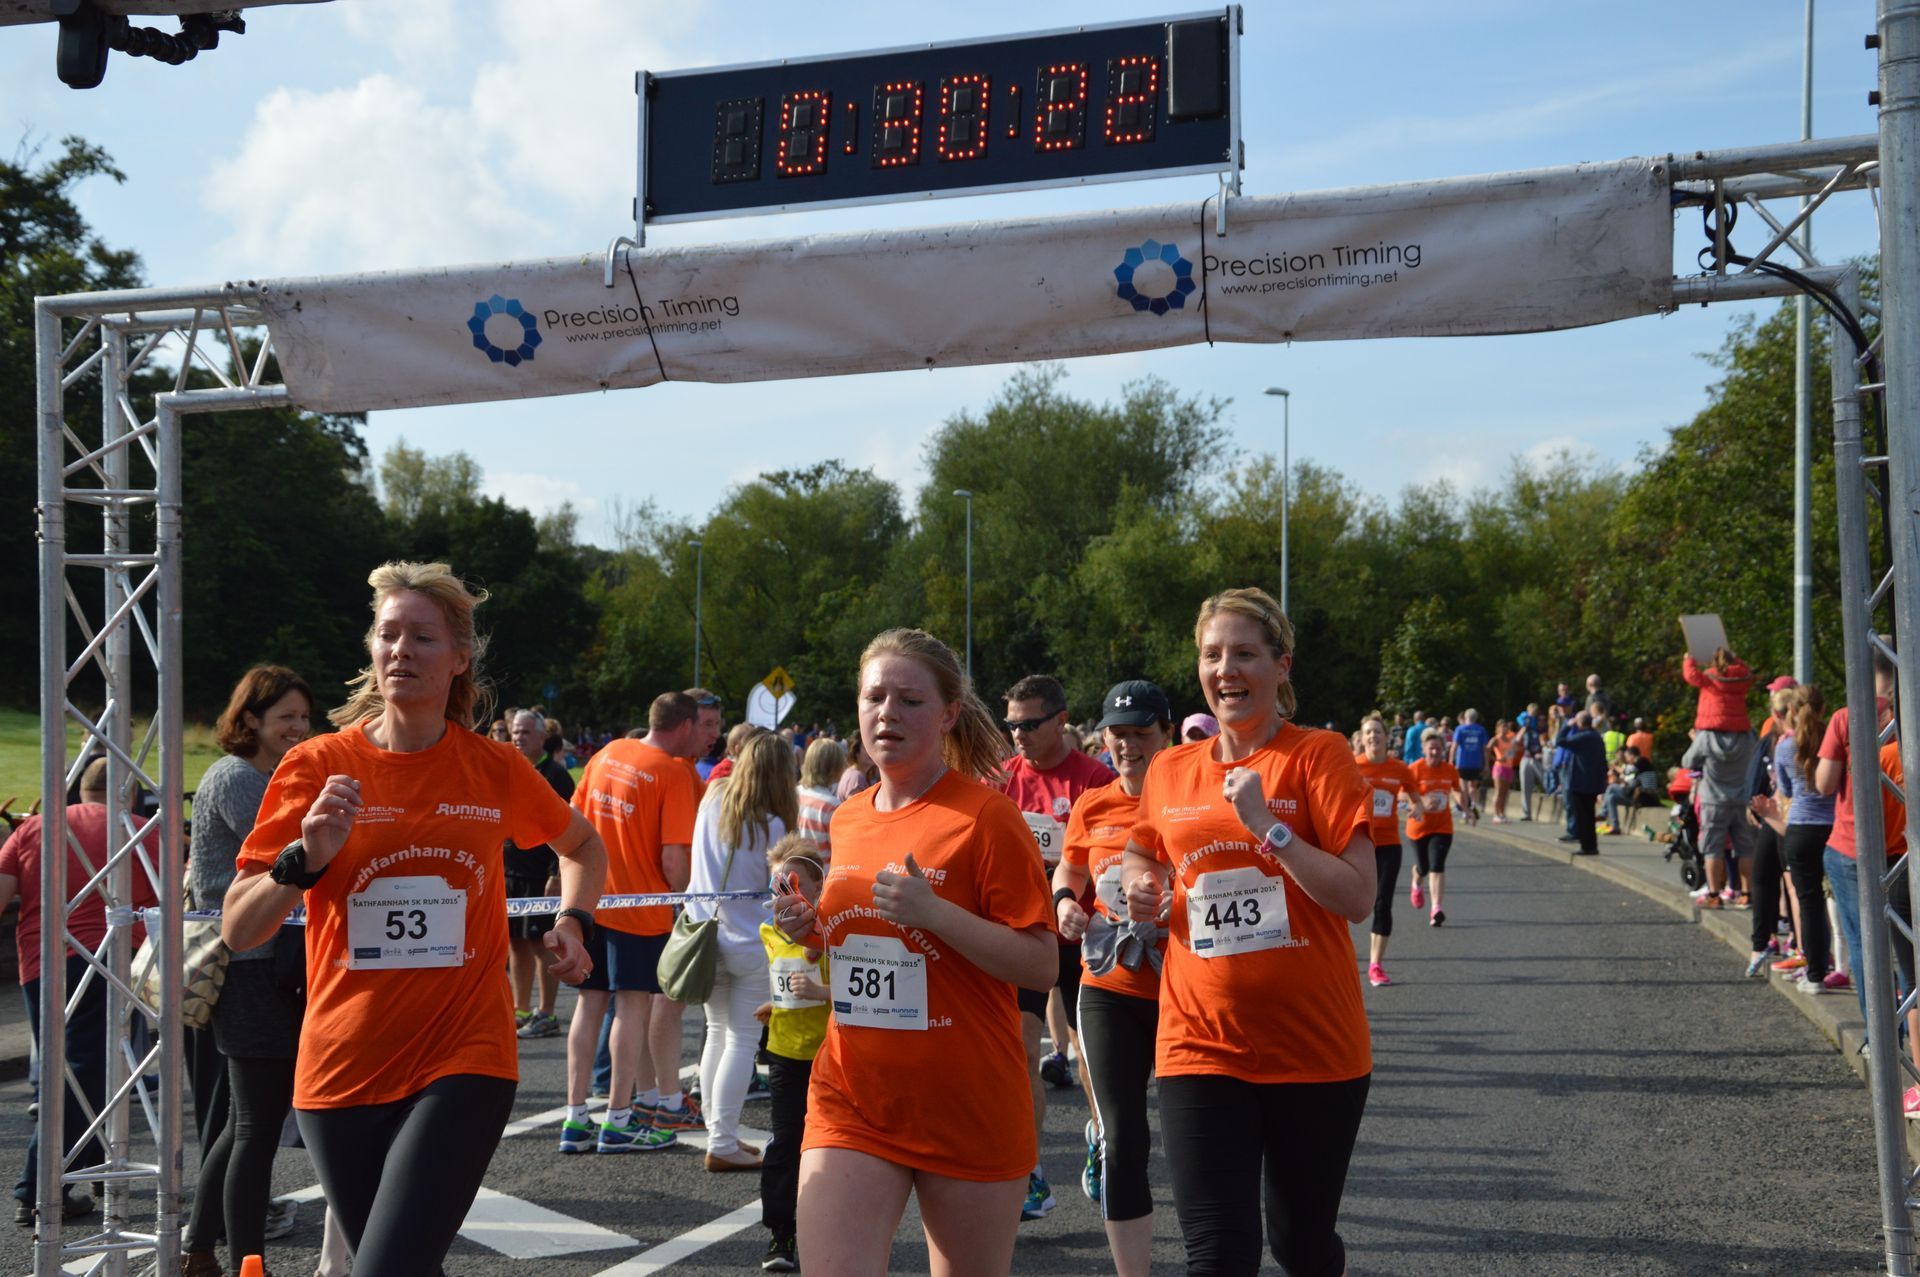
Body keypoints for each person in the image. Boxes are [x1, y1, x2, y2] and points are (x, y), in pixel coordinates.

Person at [221, 561, 606, 1277]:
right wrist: (304, 857)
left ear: (459, 658)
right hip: (341, 1068)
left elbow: (582, 843)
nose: (401, 649)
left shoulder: (493, 767)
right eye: (388, 634)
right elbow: (239, 928)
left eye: (422, 637)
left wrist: (573, 919)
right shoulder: (317, 765)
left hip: (463, 1055)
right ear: (371, 648)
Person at [770, 628, 1054, 1277]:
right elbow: (866, 939)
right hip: (855, 1096)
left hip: (966, 1103)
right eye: (874, 696)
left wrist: (937, 913)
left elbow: (1041, 962)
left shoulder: (985, 818)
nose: (887, 713)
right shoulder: (849, 816)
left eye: (909, 699)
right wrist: (810, 929)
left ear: (949, 712)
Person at [1117, 587, 1375, 1277]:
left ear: (1281, 665)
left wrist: (1270, 826)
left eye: (1245, 653)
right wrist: (1141, 882)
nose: (1226, 668)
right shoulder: (1170, 768)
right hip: (1199, 1042)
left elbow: (1358, 894)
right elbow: (1142, 848)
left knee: (1301, 1247)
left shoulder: (1319, 756)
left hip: (1315, 1048)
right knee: (1219, 1254)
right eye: (1212, 654)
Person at [182, 666, 314, 1276]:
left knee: (244, 1122)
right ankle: (242, 1263)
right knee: (256, 1126)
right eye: (285, 716)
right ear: (251, 719)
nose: (298, 728)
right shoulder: (238, 777)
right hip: (248, 966)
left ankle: (201, 1253)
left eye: (305, 718)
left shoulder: (263, 776)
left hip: (266, 964)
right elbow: (296, 853)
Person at [3, 757, 159, 1228]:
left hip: (40, 962)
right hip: (110, 959)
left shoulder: (35, 829)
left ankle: (85, 1171)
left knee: (73, 1068)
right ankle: (38, 1189)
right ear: (130, 794)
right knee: (89, 1072)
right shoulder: (142, 829)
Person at [1051, 679, 1172, 1277]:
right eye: (1118, 735)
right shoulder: (1093, 803)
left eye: (1141, 734)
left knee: (1196, 1143)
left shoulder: (1188, 800)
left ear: (1166, 734)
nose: (1128, 746)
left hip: (1185, 992)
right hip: (1108, 988)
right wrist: (1064, 904)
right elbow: (1069, 869)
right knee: (1127, 1142)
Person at [563, 691, 703, 1154]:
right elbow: (673, 858)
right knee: (632, 1008)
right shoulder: (672, 772)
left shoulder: (608, 753)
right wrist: (684, 897)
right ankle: (619, 1119)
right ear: (683, 726)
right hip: (640, 908)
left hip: (592, 900)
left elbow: (573, 824)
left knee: (589, 1005)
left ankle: (576, 1117)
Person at [999, 672, 1113, 1221]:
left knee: (1089, 1051)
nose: (1018, 734)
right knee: (1021, 1047)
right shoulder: (1003, 781)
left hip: (1080, 930)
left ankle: (1101, 1136)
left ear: (1062, 720)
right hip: (1022, 932)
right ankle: (1030, 1171)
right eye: (1012, 724)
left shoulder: (1094, 779)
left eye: (1029, 723)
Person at [685, 732, 794, 1172]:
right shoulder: (774, 825)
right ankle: (723, 1139)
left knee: (717, 1032)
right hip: (752, 941)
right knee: (741, 1041)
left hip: (706, 933)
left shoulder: (712, 801)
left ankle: (720, 1132)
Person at [757, 836, 830, 1273]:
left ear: (818, 887)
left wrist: (821, 991)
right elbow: (785, 980)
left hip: (830, 1051)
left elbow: (862, 990)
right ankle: (781, 1234)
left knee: (832, 1148)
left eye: (794, 883)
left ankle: (838, 1229)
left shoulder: (836, 929)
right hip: (784, 1048)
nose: (784, 892)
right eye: (777, 884)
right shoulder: (769, 930)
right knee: (785, 1143)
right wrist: (774, 1003)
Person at [1752, 686, 1839, 987]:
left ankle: (1815, 974)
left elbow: (1786, 791)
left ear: (1791, 711)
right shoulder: (1834, 738)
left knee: (1809, 902)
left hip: (1801, 829)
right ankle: (1845, 967)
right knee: (1841, 903)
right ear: (1823, 708)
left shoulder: (1786, 747)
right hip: (1834, 826)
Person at [505, 708, 576, 1041]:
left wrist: (555, 873)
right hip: (509, 871)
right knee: (515, 944)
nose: (518, 738)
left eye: (525, 733)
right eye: (515, 732)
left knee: (540, 943)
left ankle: (546, 1012)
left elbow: (566, 829)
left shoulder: (556, 774)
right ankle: (521, 1009)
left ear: (542, 737)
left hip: (540, 873)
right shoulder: (507, 767)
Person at [1355, 715, 1417, 982]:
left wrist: (1418, 807)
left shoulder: (1400, 769)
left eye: (1377, 732)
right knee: (1352, 904)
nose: (1373, 737)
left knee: (1382, 904)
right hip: (1358, 843)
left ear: (1385, 736)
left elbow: (1415, 797)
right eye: (1368, 732)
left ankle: (1375, 965)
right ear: (1362, 737)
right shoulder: (1352, 766)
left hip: (1390, 844)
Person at [1406, 728, 1463, 925]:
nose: (1434, 752)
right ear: (1424, 749)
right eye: (1431, 748)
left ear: (1443, 749)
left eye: (1438, 748)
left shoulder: (1449, 769)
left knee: (1437, 866)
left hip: (1443, 826)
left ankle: (1436, 909)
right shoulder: (1414, 769)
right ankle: (1416, 882)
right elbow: (1400, 794)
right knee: (1423, 867)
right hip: (1418, 827)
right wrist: (1421, 800)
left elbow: (1456, 789)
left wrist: (1466, 806)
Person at [1557, 712, 1609, 856]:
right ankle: (1591, 845)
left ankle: (1587, 846)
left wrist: (1567, 726)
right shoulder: (1596, 737)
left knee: (1582, 816)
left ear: (1580, 723)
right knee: (1589, 816)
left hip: (1580, 782)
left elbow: (1560, 741)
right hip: (1592, 782)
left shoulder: (1582, 737)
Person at [795, 737, 846, 857]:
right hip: (822, 872)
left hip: (794, 869)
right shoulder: (832, 806)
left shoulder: (794, 793)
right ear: (834, 768)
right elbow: (838, 850)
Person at [1449, 709, 1488, 825]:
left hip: (1463, 763)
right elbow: (1485, 749)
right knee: (1473, 787)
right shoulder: (1481, 730)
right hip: (1476, 763)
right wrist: (1486, 765)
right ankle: (1473, 805)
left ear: (1465, 717)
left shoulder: (1460, 729)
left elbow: (1454, 746)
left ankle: (1465, 813)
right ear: (1476, 718)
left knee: (1463, 789)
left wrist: (1451, 762)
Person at [1489, 718, 1523, 823]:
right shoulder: (1495, 739)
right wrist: (1496, 759)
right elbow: (1486, 750)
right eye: (1503, 727)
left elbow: (1517, 746)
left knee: (1505, 793)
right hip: (1499, 767)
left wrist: (1516, 749)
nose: (1505, 729)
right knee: (1498, 792)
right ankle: (1495, 814)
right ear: (1498, 728)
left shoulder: (1510, 739)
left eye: (1506, 727)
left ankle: (1502, 813)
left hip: (1509, 767)